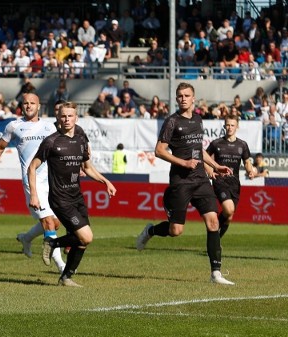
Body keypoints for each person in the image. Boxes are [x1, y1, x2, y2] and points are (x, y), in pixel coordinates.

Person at [135, 82, 235, 285]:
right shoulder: (172, 122)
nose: (182, 98)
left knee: (213, 221)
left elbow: (199, 149)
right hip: (181, 182)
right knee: (176, 231)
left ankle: (216, 273)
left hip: (200, 180)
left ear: (193, 98)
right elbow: (159, 150)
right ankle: (151, 231)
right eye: (179, 96)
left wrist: (215, 166)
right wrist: (184, 162)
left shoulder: (198, 119)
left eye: (186, 95)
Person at [29, 102, 117, 287]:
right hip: (60, 198)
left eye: (70, 116)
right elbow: (32, 167)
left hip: (77, 196)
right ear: (58, 118)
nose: (66, 119)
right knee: (87, 236)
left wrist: (105, 181)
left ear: (76, 118)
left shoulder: (80, 139)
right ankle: (52, 243)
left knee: (83, 241)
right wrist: (34, 195)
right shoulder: (51, 142)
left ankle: (66, 277)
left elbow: (87, 167)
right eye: (63, 116)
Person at [0, 93, 67, 273]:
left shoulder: (49, 127)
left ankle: (26, 238)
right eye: (25, 103)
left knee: (56, 223)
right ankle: (63, 269)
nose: (28, 106)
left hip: (50, 181)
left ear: (39, 106)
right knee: (49, 224)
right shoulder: (14, 126)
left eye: (32, 103)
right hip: (32, 181)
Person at [205, 115, 255, 238]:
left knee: (229, 216)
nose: (230, 127)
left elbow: (247, 162)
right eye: (227, 125)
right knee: (229, 209)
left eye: (232, 125)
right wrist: (210, 171)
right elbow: (203, 157)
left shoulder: (242, 145)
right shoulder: (216, 143)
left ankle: (215, 240)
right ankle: (213, 232)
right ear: (224, 126)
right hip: (220, 181)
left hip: (234, 183)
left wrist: (250, 171)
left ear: (237, 126)